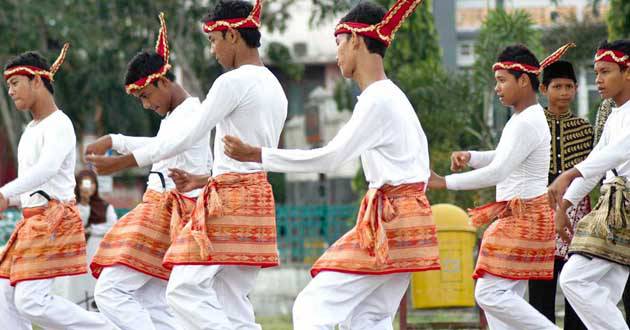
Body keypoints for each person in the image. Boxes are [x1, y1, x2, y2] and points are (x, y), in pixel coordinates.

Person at [222, 1, 440, 328]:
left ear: (355, 39)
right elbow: (421, 171)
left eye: (338, 43)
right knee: (370, 318)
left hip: (392, 221)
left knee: (312, 307)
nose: (337, 53)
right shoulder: (395, 98)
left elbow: (331, 156)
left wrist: (260, 155)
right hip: (410, 222)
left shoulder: (378, 100)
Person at [88, 2, 287, 329]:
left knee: (181, 291)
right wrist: (201, 178)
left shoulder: (230, 83)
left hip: (227, 200)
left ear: (232, 35)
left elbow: (187, 137)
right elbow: (260, 156)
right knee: (231, 303)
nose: (212, 51)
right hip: (256, 199)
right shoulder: (275, 88)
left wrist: (122, 158)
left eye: (213, 40)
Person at [430, 43, 576, 329]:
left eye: (502, 80)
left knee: (489, 294)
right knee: (502, 310)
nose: (497, 88)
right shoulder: (523, 119)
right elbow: (502, 157)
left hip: (522, 220)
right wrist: (471, 157)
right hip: (523, 218)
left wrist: (444, 182)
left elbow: (499, 170)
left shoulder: (527, 122)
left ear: (523, 81)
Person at [87, 13, 211, 330]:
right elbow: (160, 142)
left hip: (169, 210)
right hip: (160, 208)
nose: (145, 105)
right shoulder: (177, 117)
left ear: (163, 82)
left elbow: (159, 149)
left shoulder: (192, 114)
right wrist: (116, 140)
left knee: (111, 291)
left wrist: (117, 161)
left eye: (145, 96)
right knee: (155, 303)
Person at [0, 45, 117, 329]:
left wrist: (4, 194)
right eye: (8, 86)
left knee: (31, 301)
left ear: (37, 81)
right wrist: (11, 200)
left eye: (15, 83)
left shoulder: (60, 124)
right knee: (4, 292)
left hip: (54, 220)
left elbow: (47, 170)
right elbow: (32, 186)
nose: (10, 91)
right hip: (33, 221)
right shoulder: (30, 131)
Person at [549, 39, 630, 330]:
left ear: (628, 72)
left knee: (573, 278)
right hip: (615, 209)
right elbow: (598, 162)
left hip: (623, 210)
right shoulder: (615, 115)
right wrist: (565, 206)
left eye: (606, 71)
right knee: (604, 295)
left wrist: (570, 173)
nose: (598, 79)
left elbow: (619, 151)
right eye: (596, 72)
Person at [528, 60, 590, 329]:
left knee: (576, 278)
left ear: (576, 88)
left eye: (568, 87)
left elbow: (590, 172)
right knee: (542, 279)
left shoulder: (585, 128)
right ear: (543, 88)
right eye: (557, 86)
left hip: (577, 205)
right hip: (540, 205)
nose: (563, 92)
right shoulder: (532, 123)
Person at [54, 169, 118, 309]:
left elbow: (112, 226)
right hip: (76, 254)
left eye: (90, 183)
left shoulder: (105, 207)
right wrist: (83, 202)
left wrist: (93, 229)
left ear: (95, 185)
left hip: (95, 252)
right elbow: (73, 225)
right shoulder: (71, 206)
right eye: (84, 183)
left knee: (94, 285)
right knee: (73, 285)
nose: (87, 187)